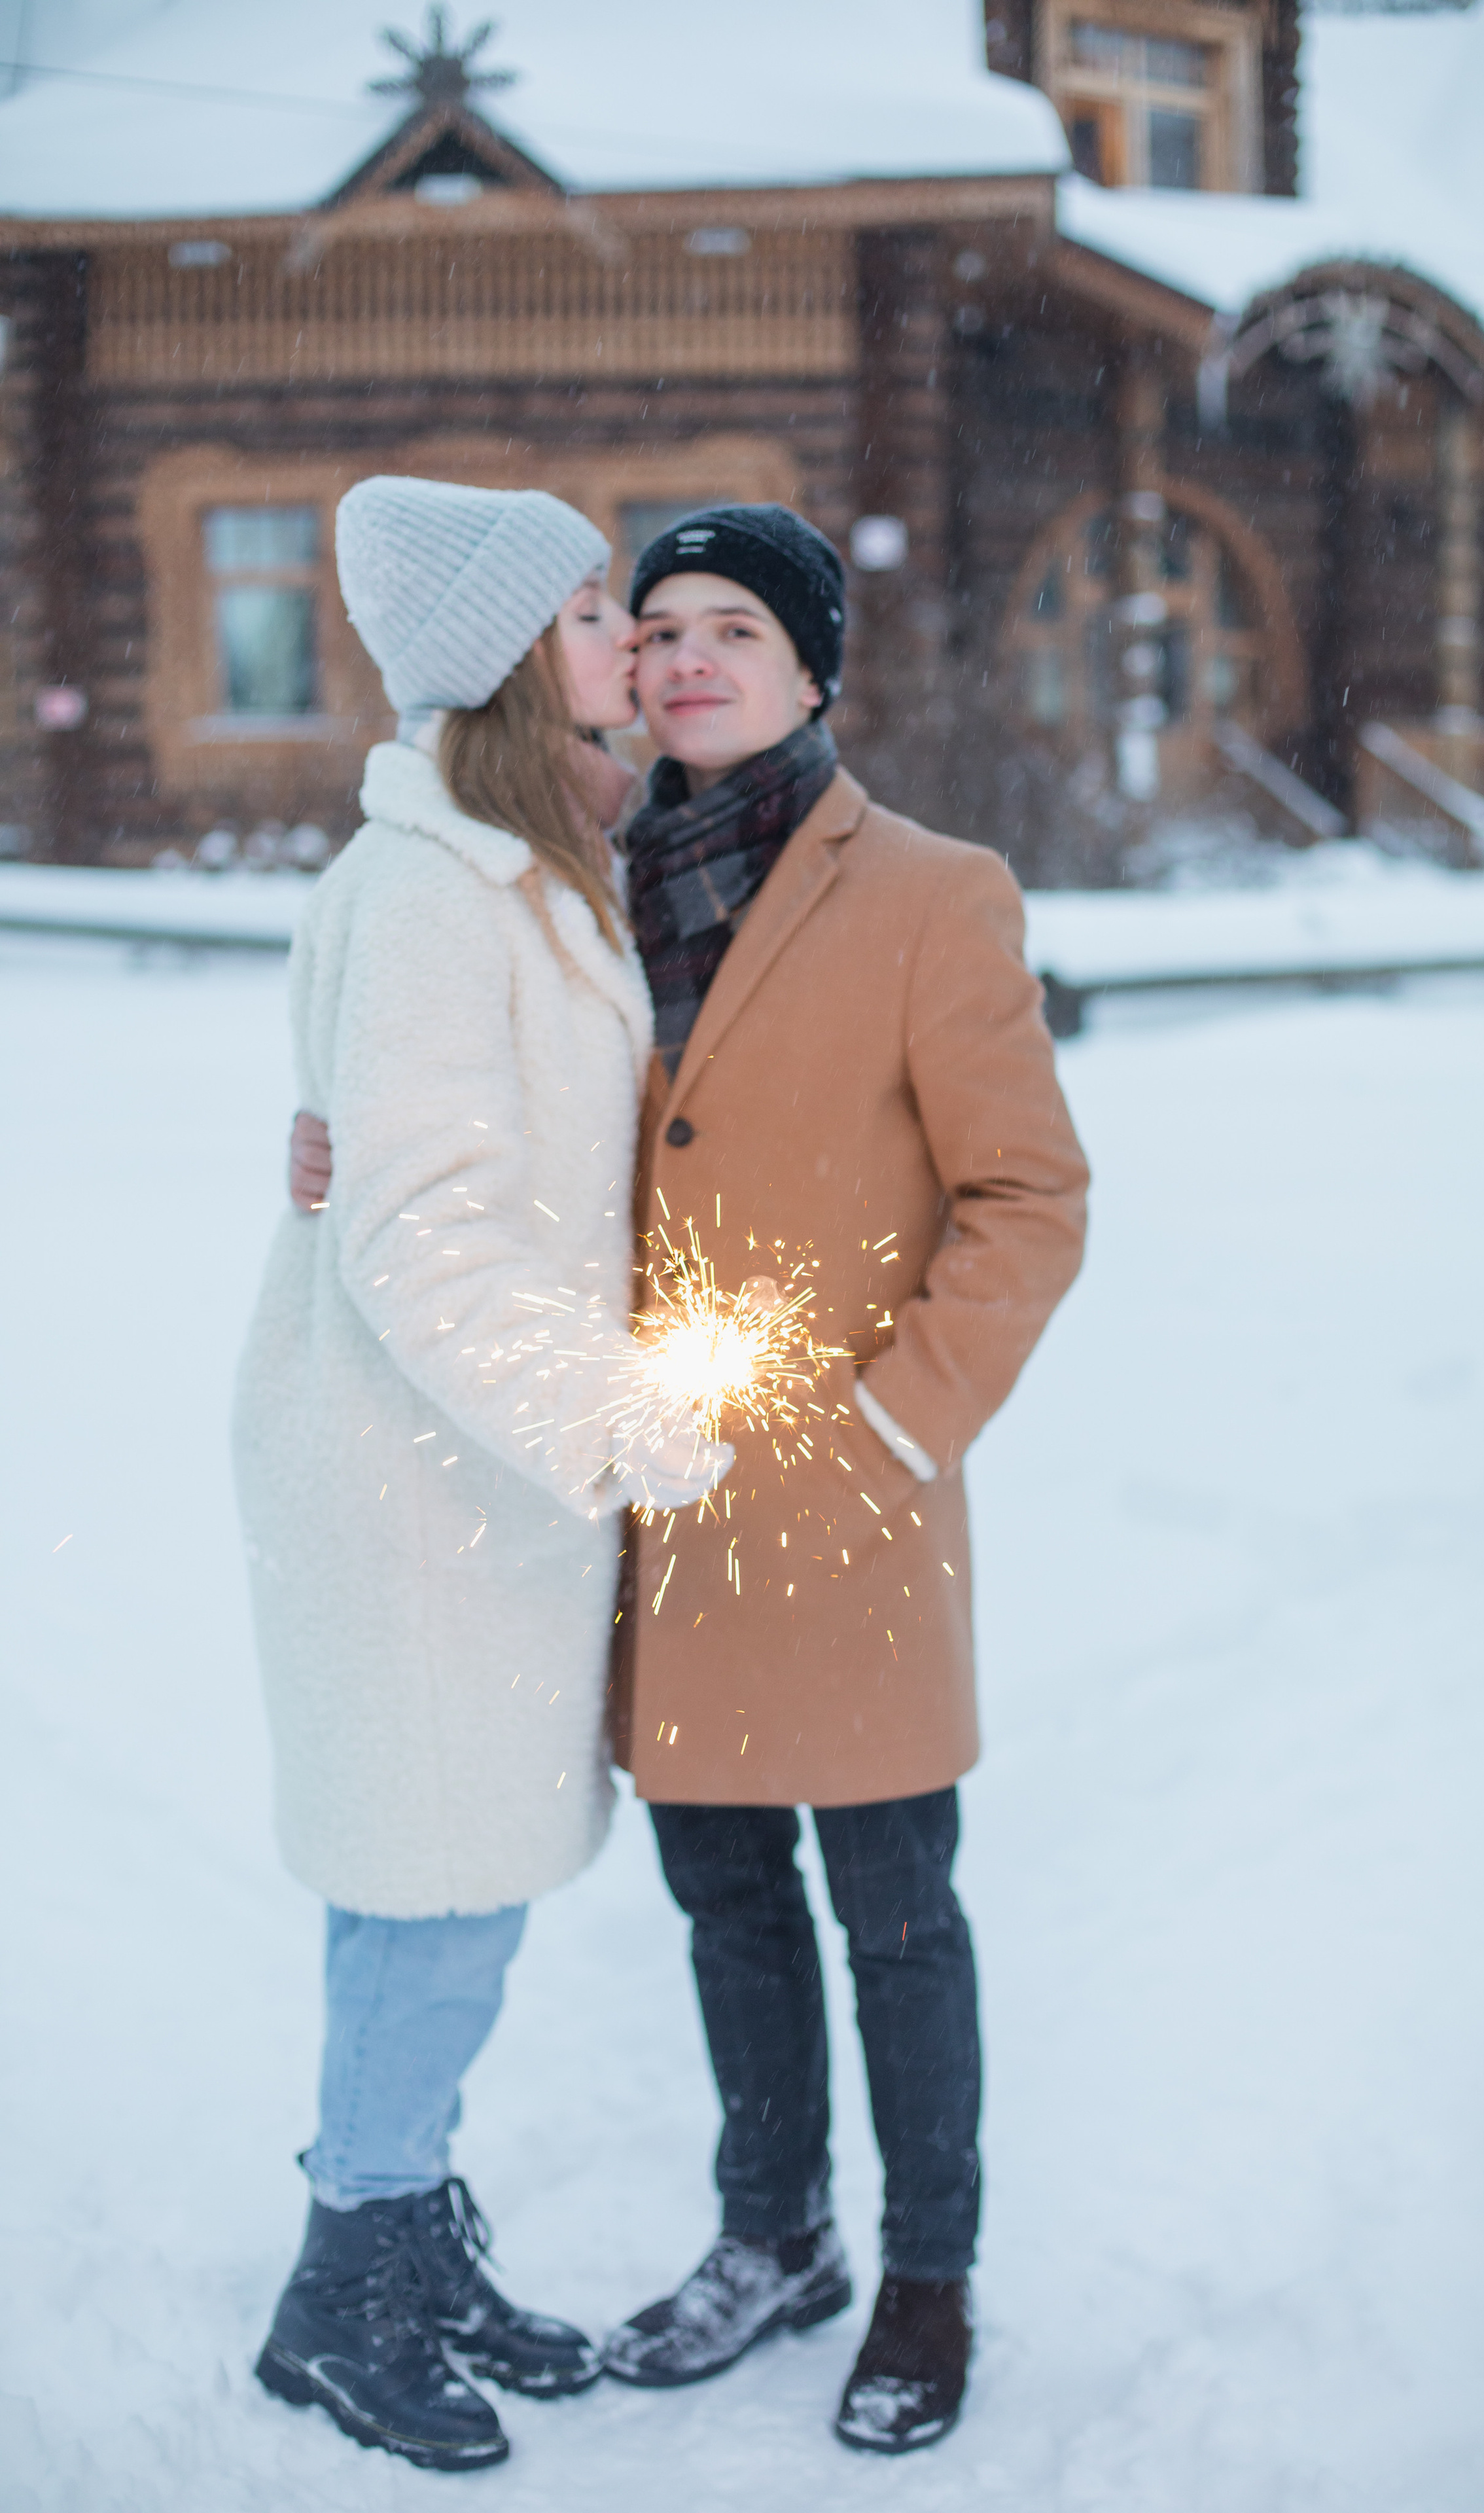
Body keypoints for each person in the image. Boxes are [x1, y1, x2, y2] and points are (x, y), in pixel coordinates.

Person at [291, 503, 1089, 2456]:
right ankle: (774, 2237)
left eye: (739, 625)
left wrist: (900, 1424)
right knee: (728, 1904)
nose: (688, 655)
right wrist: (336, 1146)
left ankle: (926, 2276)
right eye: (656, 626)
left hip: (846, 1487)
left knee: (896, 1916)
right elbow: (478, 1123)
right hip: (639, 1488)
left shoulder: (933, 891)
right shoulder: (570, 879)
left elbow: (1027, 1196)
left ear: (814, 670)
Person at [235, 476, 728, 2474]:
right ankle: (347, 2288)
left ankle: (393, 2226)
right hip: (411, 1479)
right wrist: (620, 1419)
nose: (631, 636)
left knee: (433, 1890)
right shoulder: (442, 890)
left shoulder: (519, 860)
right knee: (430, 1899)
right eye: (596, 610)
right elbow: (423, 1230)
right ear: (520, 653)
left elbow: (414, 1159)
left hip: (465, 1467)